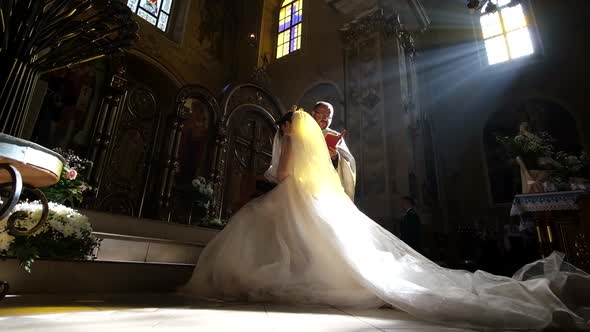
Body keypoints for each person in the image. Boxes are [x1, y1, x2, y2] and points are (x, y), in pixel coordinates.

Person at [183, 110, 589, 331]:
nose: (283, 132)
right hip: (314, 196)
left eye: (283, 128)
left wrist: (266, 179)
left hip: (293, 193)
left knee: (260, 226)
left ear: (289, 128)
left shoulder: (290, 139)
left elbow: (284, 175)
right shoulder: (310, 144)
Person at [311, 102, 356, 200]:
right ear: (313, 114)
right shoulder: (302, 132)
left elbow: (349, 161)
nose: (325, 119)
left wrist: (335, 157)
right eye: (322, 115)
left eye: (329, 117)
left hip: (326, 185)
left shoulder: (334, 135)